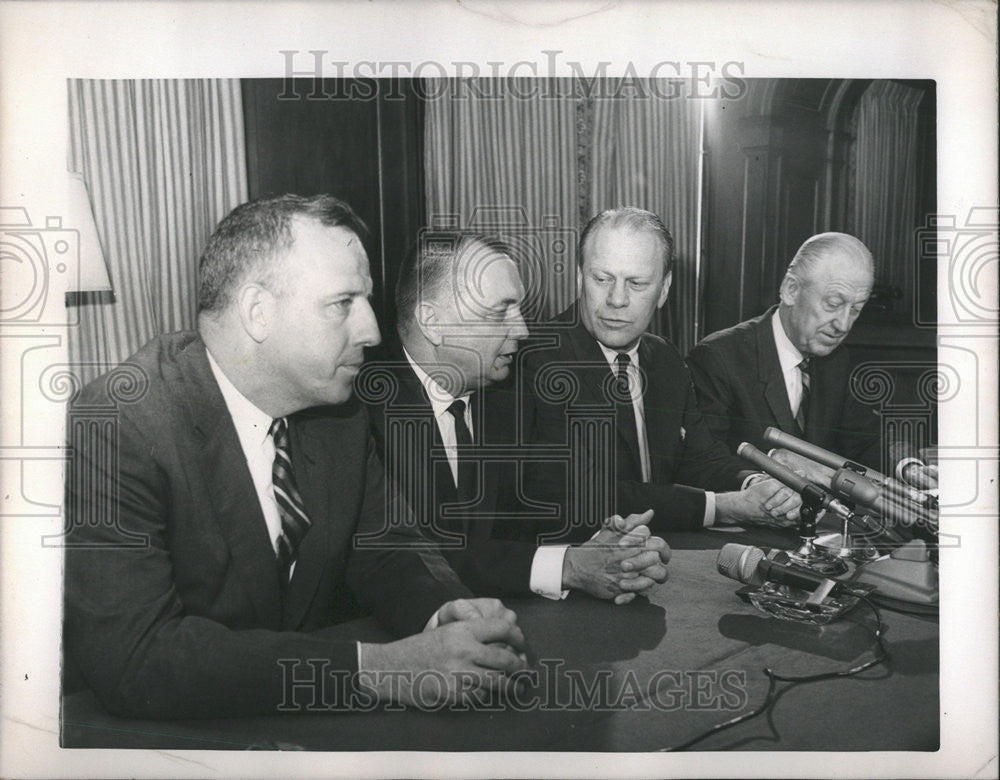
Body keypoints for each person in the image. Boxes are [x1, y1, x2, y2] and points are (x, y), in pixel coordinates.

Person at [63, 195, 530, 721]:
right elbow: (138, 659)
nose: (373, 331)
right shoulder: (119, 423)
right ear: (258, 312)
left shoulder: (339, 411)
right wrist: (380, 669)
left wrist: (445, 610)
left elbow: (385, 547)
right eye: (342, 303)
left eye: (367, 300)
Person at [362, 231, 671, 605]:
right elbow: (430, 554)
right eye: (500, 312)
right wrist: (568, 566)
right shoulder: (363, 412)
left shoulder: (509, 393)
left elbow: (528, 514)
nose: (522, 330)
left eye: (519, 310)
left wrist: (605, 543)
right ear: (433, 321)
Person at [523, 207, 800, 538]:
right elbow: (567, 492)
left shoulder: (665, 358)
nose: (617, 299)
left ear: (664, 289)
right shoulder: (535, 359)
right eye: (602, 279)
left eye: (636, 283)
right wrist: (719, 507)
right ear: (580, 276)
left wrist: (756, 484)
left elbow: (700, 458)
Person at [686, 232, 937, 490]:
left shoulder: (834, 361)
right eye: (833, 304)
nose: (843, 324)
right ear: (791, 290)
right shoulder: (717, 358)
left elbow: (867, 437)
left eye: (856, 309)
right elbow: (703, 460)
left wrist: (908, 467)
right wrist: (772, 462)